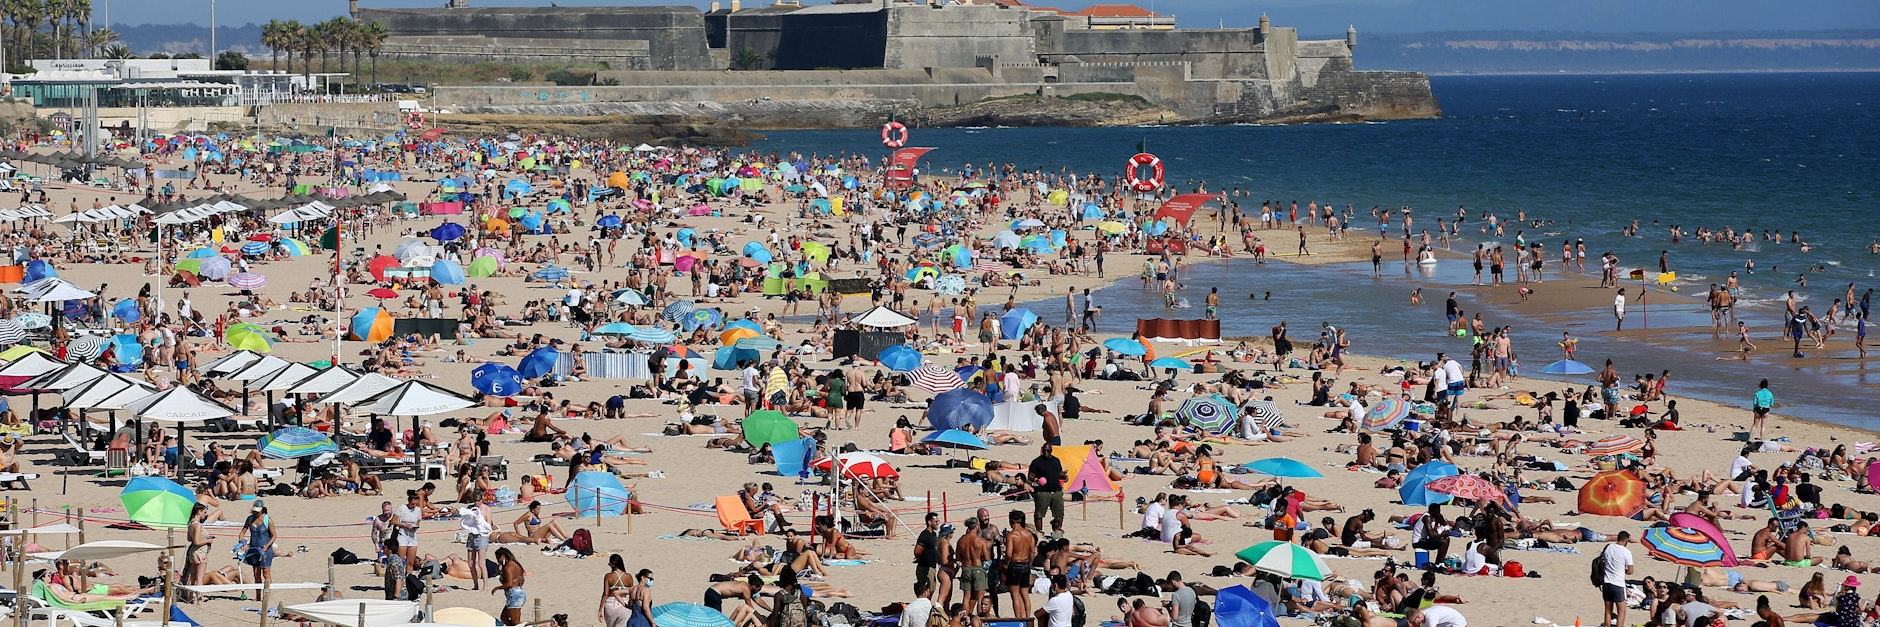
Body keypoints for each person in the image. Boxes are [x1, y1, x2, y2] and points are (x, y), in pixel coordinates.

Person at [1599, 531, 1635, 627]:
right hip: (1618, 583)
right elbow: (1631, 571)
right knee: (1622, 611)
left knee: (1608, 610)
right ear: (1626, 540)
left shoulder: (1609, 547)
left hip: (1606, 582)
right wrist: (1625, 571)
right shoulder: (1626, 552)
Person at [461, 488, 494, 591]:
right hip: (472, 535)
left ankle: (486, 586)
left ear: (482, 499)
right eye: (475, 500)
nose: (476, 502)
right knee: (471, 563)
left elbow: (489, 524)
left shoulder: (486, 509)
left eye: (478, 500)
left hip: (482, 536)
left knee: (481, 563)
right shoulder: (471, 508)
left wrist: (480, 522)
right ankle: (475, 585)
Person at [1030, 444, 1067, 535]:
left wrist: (1064, 477)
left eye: (1048, 451)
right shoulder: (1036, 462)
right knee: (1039, 514)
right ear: (1042, 450)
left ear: (1051, 451)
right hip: (1042, 492)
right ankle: (1039, 533)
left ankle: (1057, 531)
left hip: (1056, 491)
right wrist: (1037, 480)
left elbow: (1059, 474)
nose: (1046, 452)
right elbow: (1030, 476)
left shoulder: (1056, 461)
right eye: (1045, 451)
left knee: (1059, 514)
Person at [239, 500, 277, 585]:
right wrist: (241, 542)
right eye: (254, 511)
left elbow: (274, 536)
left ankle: (266, 595)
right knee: (256, 575)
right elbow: (243, 531)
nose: (255, 513)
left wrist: (266, 546)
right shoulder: (250, 519)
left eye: (257, 511)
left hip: (265, 550)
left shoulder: (268, 520)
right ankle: (258, 596)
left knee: (266, 573)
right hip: (253, 549)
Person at [492, 548, 526, 627]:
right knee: (504, 618)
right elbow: (522, 580)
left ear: (503, 556)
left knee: (515, 622)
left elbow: (509, 584)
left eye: (498, 558)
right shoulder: (516, 564)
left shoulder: (508, 567)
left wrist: (497, 587)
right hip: (518, 593)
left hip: (514, 595)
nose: (498, 561)